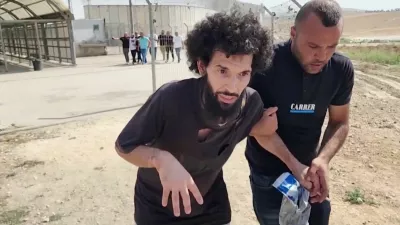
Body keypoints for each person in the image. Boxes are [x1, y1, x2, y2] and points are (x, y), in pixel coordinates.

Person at [115, 10, 277, 225]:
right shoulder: (171, 97)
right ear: (202, 66)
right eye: (223, 71)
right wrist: (161, 160)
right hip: (158, 209)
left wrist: (297, 165)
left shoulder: (250, 103)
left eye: (243, 74)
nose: (233, 86)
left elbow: (258, 130)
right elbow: (124, 145)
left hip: (211, 205)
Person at [245, 1, 354, 225]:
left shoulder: (341, 69)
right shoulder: (264, 65)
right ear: (293, 33)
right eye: (313, 46)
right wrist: (294, 165)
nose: (322, 56)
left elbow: (340, 121)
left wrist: (322, 159)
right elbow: (256, 126)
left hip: (310, 174)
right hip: (268, 174)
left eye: (331, 46)